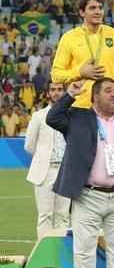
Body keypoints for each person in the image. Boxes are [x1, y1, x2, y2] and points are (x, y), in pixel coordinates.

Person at [47, 78, 114, 268]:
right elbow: (53, 117)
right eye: (108, 91)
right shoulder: (77, 118)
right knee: (84, 246)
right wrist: (70, 93)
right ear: (95, 96)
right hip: (87, 195)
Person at [51, 0, 114, 119]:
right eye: (92, 8)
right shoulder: (69, 38)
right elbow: (55, 75)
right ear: (82, 12)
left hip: (110, 107)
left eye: (100, 8)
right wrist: (80, 72)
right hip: (79, 107)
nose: (97, 12)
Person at [23, 81, 70, 237]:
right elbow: (29, 145)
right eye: (52, 90)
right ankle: (43, 257)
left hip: (66, 171)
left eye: (59, 90)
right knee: (45, 216)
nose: (56, 93)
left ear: (65, 92)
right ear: (48, 93)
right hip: (45, 171)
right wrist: (43, 158)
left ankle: (62, 257)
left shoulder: (71, 115)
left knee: (63, 216)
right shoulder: (38, 116)